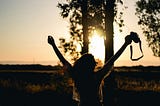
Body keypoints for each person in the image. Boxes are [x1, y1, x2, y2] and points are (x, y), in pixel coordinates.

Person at [48, 34, 133, 106]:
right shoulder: (97, 76)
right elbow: (112, 60)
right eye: (93, 63)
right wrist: (125, 44)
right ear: (91, 65)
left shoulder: (77, 76)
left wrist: (53, 45)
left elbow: (63, 60)